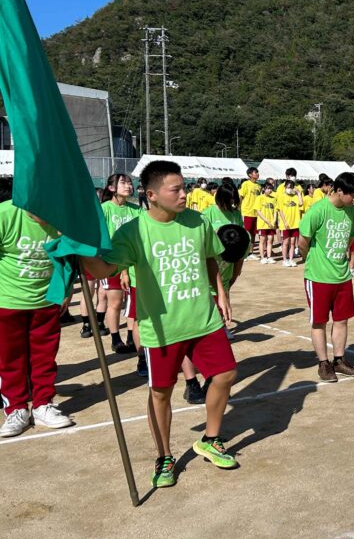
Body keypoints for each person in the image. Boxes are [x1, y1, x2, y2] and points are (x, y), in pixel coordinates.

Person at [83, 160, 237, 488]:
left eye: (185, 187)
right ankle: (164, 456)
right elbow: (101, 271)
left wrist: (220, 291)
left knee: (225, 374)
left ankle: (210, 439)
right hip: (162, 328)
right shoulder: (134, 231)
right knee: (161, 393)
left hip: (204, 320)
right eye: (176, 189)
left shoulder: (197, 220)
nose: (185, 194)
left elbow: (209, 255)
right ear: (151, 195)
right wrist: (78, 251)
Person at [0, 178, 73, 437]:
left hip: (46, 301)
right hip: (8, 302)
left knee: (44, 357)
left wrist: (66, 290)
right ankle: (16, 409)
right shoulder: (5, 214)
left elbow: (67, 259)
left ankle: (43, 404)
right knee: (11, 360)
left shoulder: (60, 220)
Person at [298, 172, 354, 382]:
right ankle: (323, 364)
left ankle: (339, 360)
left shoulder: (352, 211)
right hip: (318, 277)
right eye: (352, 194)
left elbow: (351, 237)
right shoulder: (318, 210)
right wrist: (313, 261)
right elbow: (303, 242)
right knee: (319, 321)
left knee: (342, 320)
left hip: (342, 276)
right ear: (339, 190)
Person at [100, 173, 141, 355]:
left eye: (130, 182)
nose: (128, 186)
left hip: (133, 264)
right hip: (112, 263)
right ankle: (116, 339)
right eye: (123, 182)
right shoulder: (105, 208)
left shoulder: (136, 209)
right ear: (111, 188)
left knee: (133, 304)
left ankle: (132, 337)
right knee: (115, 302)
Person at [202, 178, 246, 339]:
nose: (231, 204)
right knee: (208, 295)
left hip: (229, 261)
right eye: (228, 200)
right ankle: (209, 327)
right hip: (212, 260)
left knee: (225, 292)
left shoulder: (235, 214)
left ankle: (222, 325)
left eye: (233, 200)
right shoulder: (208, 213)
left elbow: (241, 236)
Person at [276, 180, 304, 267]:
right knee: (286, 242)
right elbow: (280, 210)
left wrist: (298, 193)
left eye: (291, 187)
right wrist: (285, 222)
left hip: (295, 223)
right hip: (286, 224)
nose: (289, 189)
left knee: (292, 243)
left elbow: (301, 203)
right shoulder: (281, 197)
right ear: (285, 187)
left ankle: (291, 259)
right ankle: (285, 259)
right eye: (288, 187)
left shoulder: (295, 197)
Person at [238, 167, 261, 260]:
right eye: (256, 172)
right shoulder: (246, 184)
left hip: (256, 213)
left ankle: (250, 252)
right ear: (250, 174)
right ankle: (243, 253)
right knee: (245, 233)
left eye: (257, 172)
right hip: (247, 212)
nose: (257, 174)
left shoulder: (259, 186)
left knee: (253, 234)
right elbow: (241, 197)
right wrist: (239, 209)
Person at [255, 181, 278, 264]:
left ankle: (269, 256)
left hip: (271, 224)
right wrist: (266, 220)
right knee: (262, 240)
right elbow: (258, 211)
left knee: (270, 240)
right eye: (268, 189)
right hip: (262, 224)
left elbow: (275, 211)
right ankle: (262, 257)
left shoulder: (273, 199)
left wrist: (274, 220)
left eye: (270, 189)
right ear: (264, 189)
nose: (269, 190)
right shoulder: (259, 198)